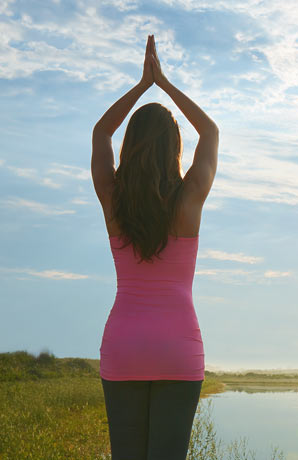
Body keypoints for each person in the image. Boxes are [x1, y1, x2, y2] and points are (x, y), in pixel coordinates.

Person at [91, 34, 219, 460]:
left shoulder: (114, 200)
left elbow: (101, 132)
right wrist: (163, 83)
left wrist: (141, 86)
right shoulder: (189, 200)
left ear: (130, 146)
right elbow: (210, 131)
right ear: (175, 148)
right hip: (178, 347)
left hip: (124, 346)